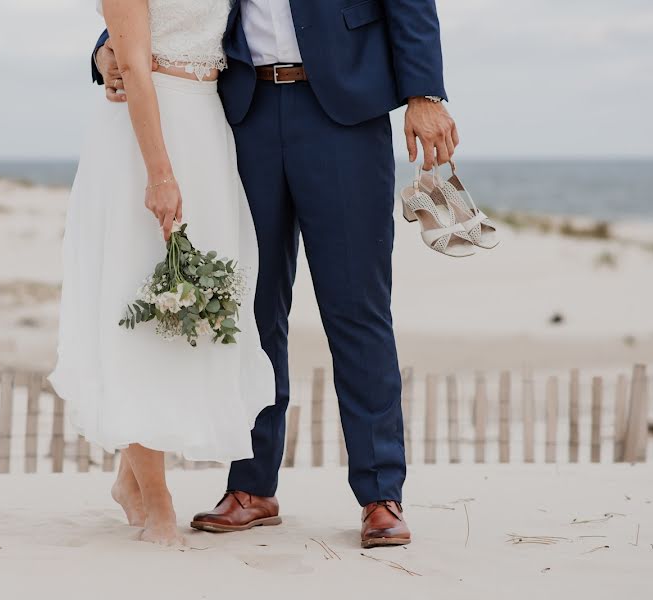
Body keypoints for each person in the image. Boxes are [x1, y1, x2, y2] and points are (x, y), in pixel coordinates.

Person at [91, 0, 459, 548]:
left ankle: (381, 495)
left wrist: (425, 92)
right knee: (251, 310)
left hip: (345, 114)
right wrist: (103, 50)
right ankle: (251, 488)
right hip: (243, 114)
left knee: (356, 307)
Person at [48, 0, 276, 546]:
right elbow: (131, 59)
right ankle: (157, 502)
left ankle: (129, 482)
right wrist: (160, 174)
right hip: (144, 135)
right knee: (139, 305)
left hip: (207, 124)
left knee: (187, 307)